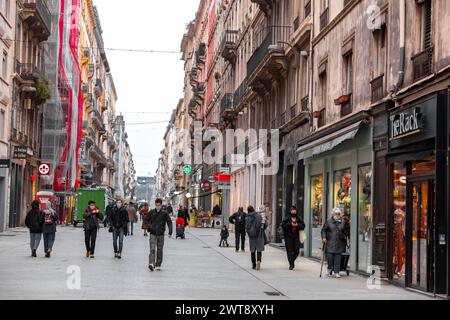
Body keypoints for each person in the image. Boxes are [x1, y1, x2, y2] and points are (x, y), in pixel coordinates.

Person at [144, 199, 173, 271]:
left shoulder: (164, 213)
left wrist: (170, 231)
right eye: (156, 205)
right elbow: (146, 219)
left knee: (159, 250)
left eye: (159, 205)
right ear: (155, 204)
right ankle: (151, 263)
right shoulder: (151, 212)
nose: (157, 206)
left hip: (161, 233)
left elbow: (169, 222)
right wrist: (150, 226)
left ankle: (158, 264)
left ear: (161, 205)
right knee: (152, 248)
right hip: (153, 233)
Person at [321, 207, 349, 278]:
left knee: (338, 258)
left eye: (338, 213)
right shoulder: (328, 221)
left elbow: (346, 231)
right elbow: (323, 230)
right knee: (330, 258)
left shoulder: (343, 222)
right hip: (330, 242)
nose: (337, 214)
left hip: (339, 243)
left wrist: (345, 236)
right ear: (333, 214)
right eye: (336, 213)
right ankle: (329, 269)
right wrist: (324, 238)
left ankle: (337, 272)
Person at [281, 206, 306, 270]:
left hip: (296, 236)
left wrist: (297, 225)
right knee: (289, 251)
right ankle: (291, 264)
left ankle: (292, 261)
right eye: (292, 210)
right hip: (288, 237)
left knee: (297, 251)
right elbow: (283, 226)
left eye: (295, 211)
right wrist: (290, 224)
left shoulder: (299, 218)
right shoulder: (287, 218)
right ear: (290, 211)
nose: (293, 212)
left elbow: (303, 226)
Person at [245, 206, 265, 270]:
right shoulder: (259, 216)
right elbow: (265, 224)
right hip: (259, 235)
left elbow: (247, 227)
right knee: (259, 250)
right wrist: (262, 230)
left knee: (252, 251)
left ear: (248, 210)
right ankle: (258, 260)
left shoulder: (247, 218)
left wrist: (248, 232)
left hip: (252, 236)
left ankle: (253, 265)